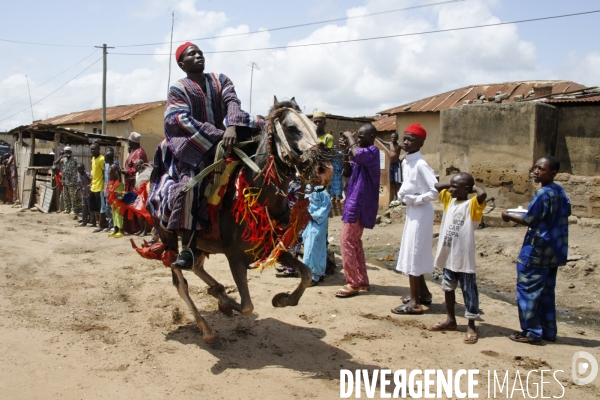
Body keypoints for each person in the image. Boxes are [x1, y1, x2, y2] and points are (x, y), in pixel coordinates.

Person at [147, 42, 260, 270]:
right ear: (181, 64)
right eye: (192, 54)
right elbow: (178, 119)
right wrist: (218, 134)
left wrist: (232, 127)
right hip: (197, 151)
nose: (198, 55)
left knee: (262, 163)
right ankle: (189, 247)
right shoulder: (178, 89)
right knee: (189, 188)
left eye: (199, 52)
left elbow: (232, 103)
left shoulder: (221, 80)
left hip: (232, 139)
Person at [502, 156, 571, 344]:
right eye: (535, 167)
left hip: (537, 250)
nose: (536, 171)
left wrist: (507, 215)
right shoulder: (559, 191)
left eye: (541, 168)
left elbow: (529, 219)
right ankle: (548, 330)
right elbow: (566, 211)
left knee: (528, 289)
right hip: (554, 250)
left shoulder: (543, 194)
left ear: (552, 172)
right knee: (546, 292)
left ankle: (531, 331)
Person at [427, 173, 487, 344]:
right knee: (448, 288)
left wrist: (472, 187)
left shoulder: (472, 205)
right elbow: (437, 186)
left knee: (468, 292)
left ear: (467, 189)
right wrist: (453, 184)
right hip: (449, 255)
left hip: (464, 257)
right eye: (450, 186)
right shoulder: (449, 200)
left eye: (454, 187)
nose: (450, 189)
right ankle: (450, 319)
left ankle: (471, 325)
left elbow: (482, 195)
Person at [392, 123, 438, 315]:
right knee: (411, 250)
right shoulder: (406, 161)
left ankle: (414, 303)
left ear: (420, 143)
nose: (406, 142)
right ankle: (423, 294)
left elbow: (435, 190)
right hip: (412, 212)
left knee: (414, 253)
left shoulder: (420, 164)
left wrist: (417, 199)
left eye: (411, 139)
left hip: (421, 213)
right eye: (405, 138)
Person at [335, 123, 381, 298]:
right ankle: (362, 280)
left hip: (359, 203)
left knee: (346, 241)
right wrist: (346, 150)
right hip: (355, 200)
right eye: (358, 136)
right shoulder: (360, 155)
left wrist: (350, 137)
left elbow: (358, 155)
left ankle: (352, 283)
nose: (359, 139)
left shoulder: (372, 152)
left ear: (371, 138)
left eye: (362, 136)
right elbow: (348, 170)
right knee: (354, 242)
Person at [302, 183, 333, 286]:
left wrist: (313, 215)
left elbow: (327, 206)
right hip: (308, 222)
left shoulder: (322, 191)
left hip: (318, 223)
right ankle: (307, 274)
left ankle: (315, 275)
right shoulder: (307, 187)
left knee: (314, 248)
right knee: (307, 248)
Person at [121, 132, 147, 235]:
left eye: (129, 141)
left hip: (135, 183)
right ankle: (130, 227)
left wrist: (126, 172)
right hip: (129, 182)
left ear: (133, 142)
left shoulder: (139, 152)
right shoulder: (133, 151)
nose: (129, 143)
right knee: (129, 204)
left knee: (136, 205)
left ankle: (137, 228)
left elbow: (136, 168)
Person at [53, 146, 79, 215]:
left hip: (72, 181)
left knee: (73, 196)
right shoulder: (63, 160)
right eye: (66, 152)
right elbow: (55, 163)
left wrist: (77, 176)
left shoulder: (74, 159)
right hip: (65, 181)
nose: (67, 153)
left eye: (68, 152)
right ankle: (67, 209)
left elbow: (79, 166)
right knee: (65, 196)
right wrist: (61, 157)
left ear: (71, 152)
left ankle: (74, 210)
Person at [379, 133, 403, 206]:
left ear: (397, 138)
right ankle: (394, 196)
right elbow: (382, 141)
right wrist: (375, 136)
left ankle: (398, 197)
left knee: (397, 182)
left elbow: (407, 150)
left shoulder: (399, 145)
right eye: (392, 137)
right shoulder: (390, 143)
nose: (393, 138)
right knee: (392, 181)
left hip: (396, 164)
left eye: (394, 137)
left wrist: (402, 158)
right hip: (391, 164)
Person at [88, 142, 106, 233]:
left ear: (99, 149)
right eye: (91, 149)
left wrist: (105, 187)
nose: (92, 150)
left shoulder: (102, 159)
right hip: (93, 186)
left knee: (101, 208)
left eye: (94, 149)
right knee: (94, 207)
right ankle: (98, 223)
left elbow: (104, 173)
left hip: (100, 187)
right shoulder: (93, 159)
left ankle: (101, 225)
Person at [103, 147, 121, 233]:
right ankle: (111, 225)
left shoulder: (115, 164)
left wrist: (116, 189)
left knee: (114, 208)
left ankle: (116, 226)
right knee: (108, 208)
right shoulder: (105, 164)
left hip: (114, 189)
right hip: (108, 188)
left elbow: (118, 178)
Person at [105, 164, 125, 238]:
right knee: (114, 216)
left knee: (119, 216)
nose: (109, 176)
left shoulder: (120, 184)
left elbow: (121, 194)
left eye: (110, 174)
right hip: (113, 203)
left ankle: (121, 230)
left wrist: (115, 194)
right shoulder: (111, 183)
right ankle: (115, 229)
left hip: (119, 203)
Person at [76, 163, 93, 227]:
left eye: (80, 169)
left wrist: (89, 185)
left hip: (89, 194)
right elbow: (80, 185)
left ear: (84, 169)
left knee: (90, 209)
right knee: (84, 208)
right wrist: (77, 190)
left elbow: (91, 181)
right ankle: (84, 221)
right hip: (83, 195)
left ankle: (92, 221)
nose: (79, 170)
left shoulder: (87, 174)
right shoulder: (78, 176)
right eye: (78, 169)